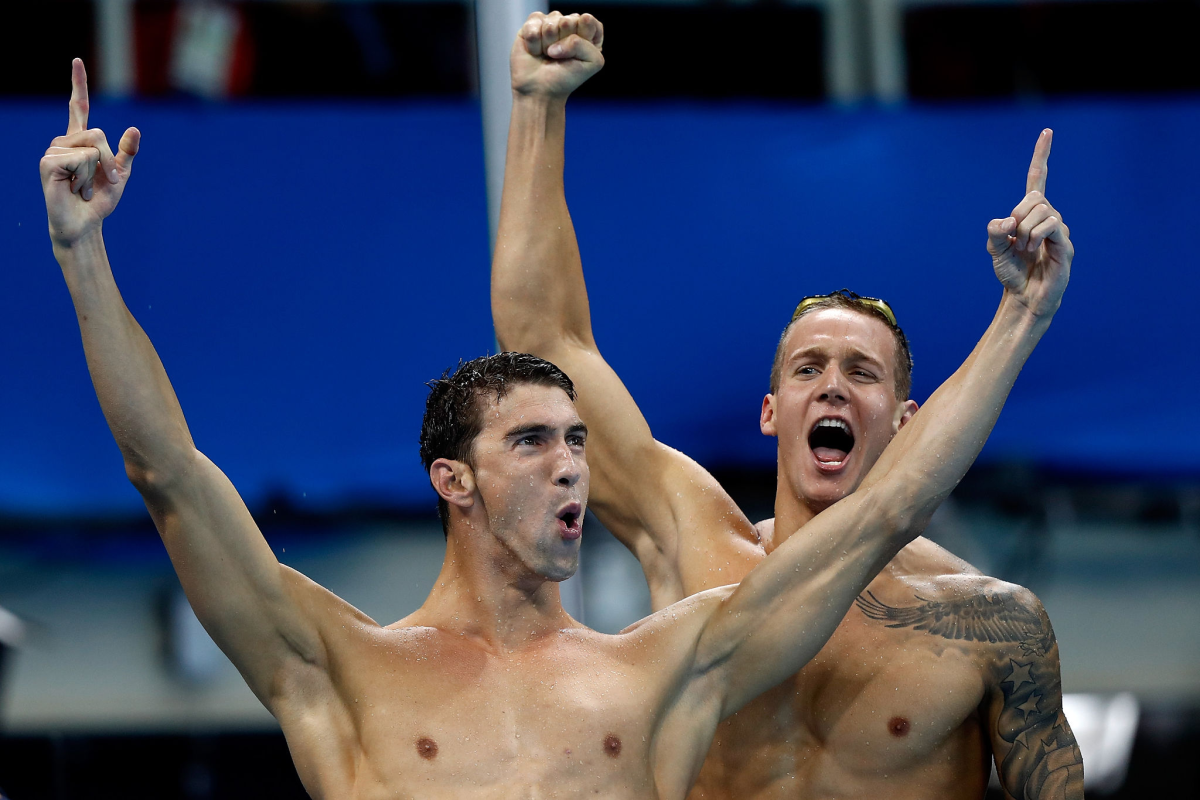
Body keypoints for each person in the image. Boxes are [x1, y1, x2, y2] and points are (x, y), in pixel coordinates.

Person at [44, 55, 1062, 799]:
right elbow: (166, 471)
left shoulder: (663, 669)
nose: (575, 465)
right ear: (456, 478)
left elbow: (892, 505)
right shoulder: (338, 666)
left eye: (578, 441)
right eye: (534, 442)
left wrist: (1021, 315)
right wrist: (83, 253)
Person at [491, 12, 1084, 800]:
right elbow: (548, 343)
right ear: (771, 412)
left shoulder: (991, 624)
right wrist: (537, 107)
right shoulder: (694, 544)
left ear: (909, 421)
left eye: (862, 373)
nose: (833, 383)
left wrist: (1026, 309)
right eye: (809, 367)